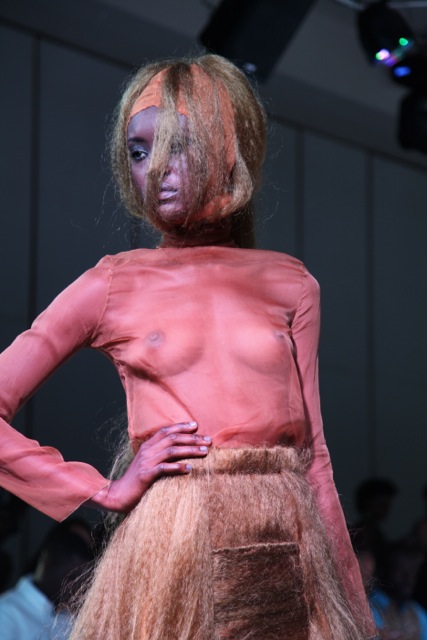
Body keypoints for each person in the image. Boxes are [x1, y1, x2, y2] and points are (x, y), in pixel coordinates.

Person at [0, 55, 375, 638]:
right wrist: (102, 490)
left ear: (227, 150)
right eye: (139, 151)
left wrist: (356, 618)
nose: (156, 170)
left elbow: (315, 459)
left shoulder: (291, 283)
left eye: (179, 145)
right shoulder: (112, 283)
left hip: (284, 542)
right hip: (171, 543)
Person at [0, 521, 94, 640]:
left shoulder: (72, 619)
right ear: (47, 559)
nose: (77, 587)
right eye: (72, 577)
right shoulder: (6, 614)